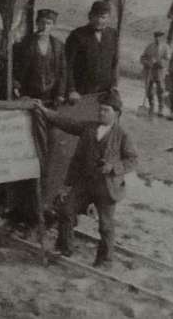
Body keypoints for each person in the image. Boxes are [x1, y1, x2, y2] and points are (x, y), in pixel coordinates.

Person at [37, 93, 137, 268]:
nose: (101, 114)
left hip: (107, 186)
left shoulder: (123, 135)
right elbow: (67, 123)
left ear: (117, 114)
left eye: (106, 111)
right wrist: (45, 111)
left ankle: (105, 260)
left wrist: (114, 167)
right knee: (66, 210)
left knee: (105, 226)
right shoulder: (89, 128)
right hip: (84, 182)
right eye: (100, 110)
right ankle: (65, 248)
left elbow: (133, 160)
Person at [65, 0, 118, 101]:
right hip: (81, 92)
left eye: (103, 17)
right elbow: (67, 65)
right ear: (90, 16)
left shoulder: (113, 35)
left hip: (104, 92)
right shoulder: (77, 35)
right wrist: (71, 89)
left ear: (109, 18)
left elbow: (114, 63)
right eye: (96, 16)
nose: (99, 20)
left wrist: (114, 85)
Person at [13, 8, 66, 106]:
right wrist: (15, 85)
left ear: (53, 25)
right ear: (37, 23)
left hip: (51, 94)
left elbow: (62, 71)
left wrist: (60, 93)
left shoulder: (58, 45)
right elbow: (15, 66)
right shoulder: (24, 44)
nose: (45, 27)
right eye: (42, 23)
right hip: (29, 92)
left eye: (49, 23)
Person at [139, 30, 170, 115]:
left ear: (162, 38)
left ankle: (160, 108)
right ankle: (151, 106)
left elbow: (167, 60)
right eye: (156, 37)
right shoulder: (150, 46)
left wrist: (157, 61)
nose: (158, 39)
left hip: (159, 72)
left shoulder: (165, 47)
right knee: (149, 90)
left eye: (160, 37)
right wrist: (147, 62)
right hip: (149, 71)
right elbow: (142, 57)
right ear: (154, 37)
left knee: (160, 90)